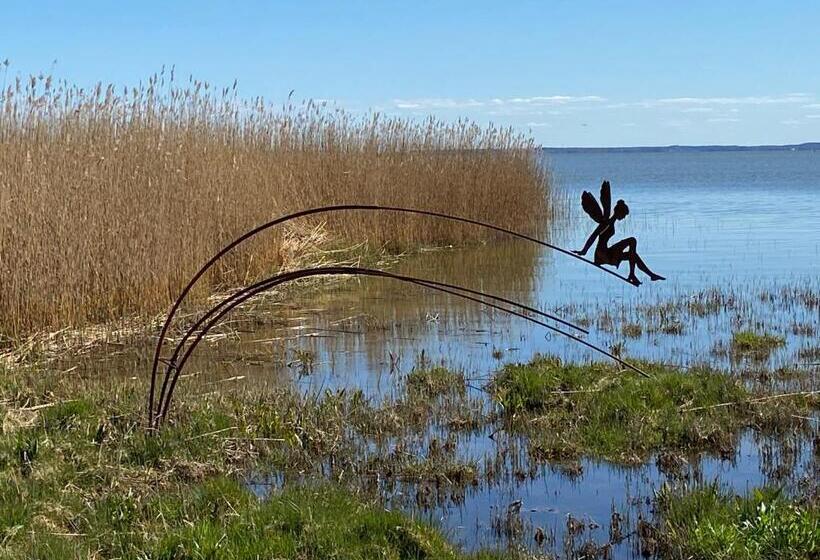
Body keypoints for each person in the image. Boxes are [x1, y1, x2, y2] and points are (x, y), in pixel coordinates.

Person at [573, 180, 665, 286]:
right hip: (603, 254)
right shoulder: (606, 223)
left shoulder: (610, 222)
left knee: (633, 255)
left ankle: (648, 275)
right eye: (624, 215)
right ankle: (634, 274)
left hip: (605, 254)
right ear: (619, 212)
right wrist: (583, 251)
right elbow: (594, 235)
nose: (624, 218)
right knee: (632, 241)